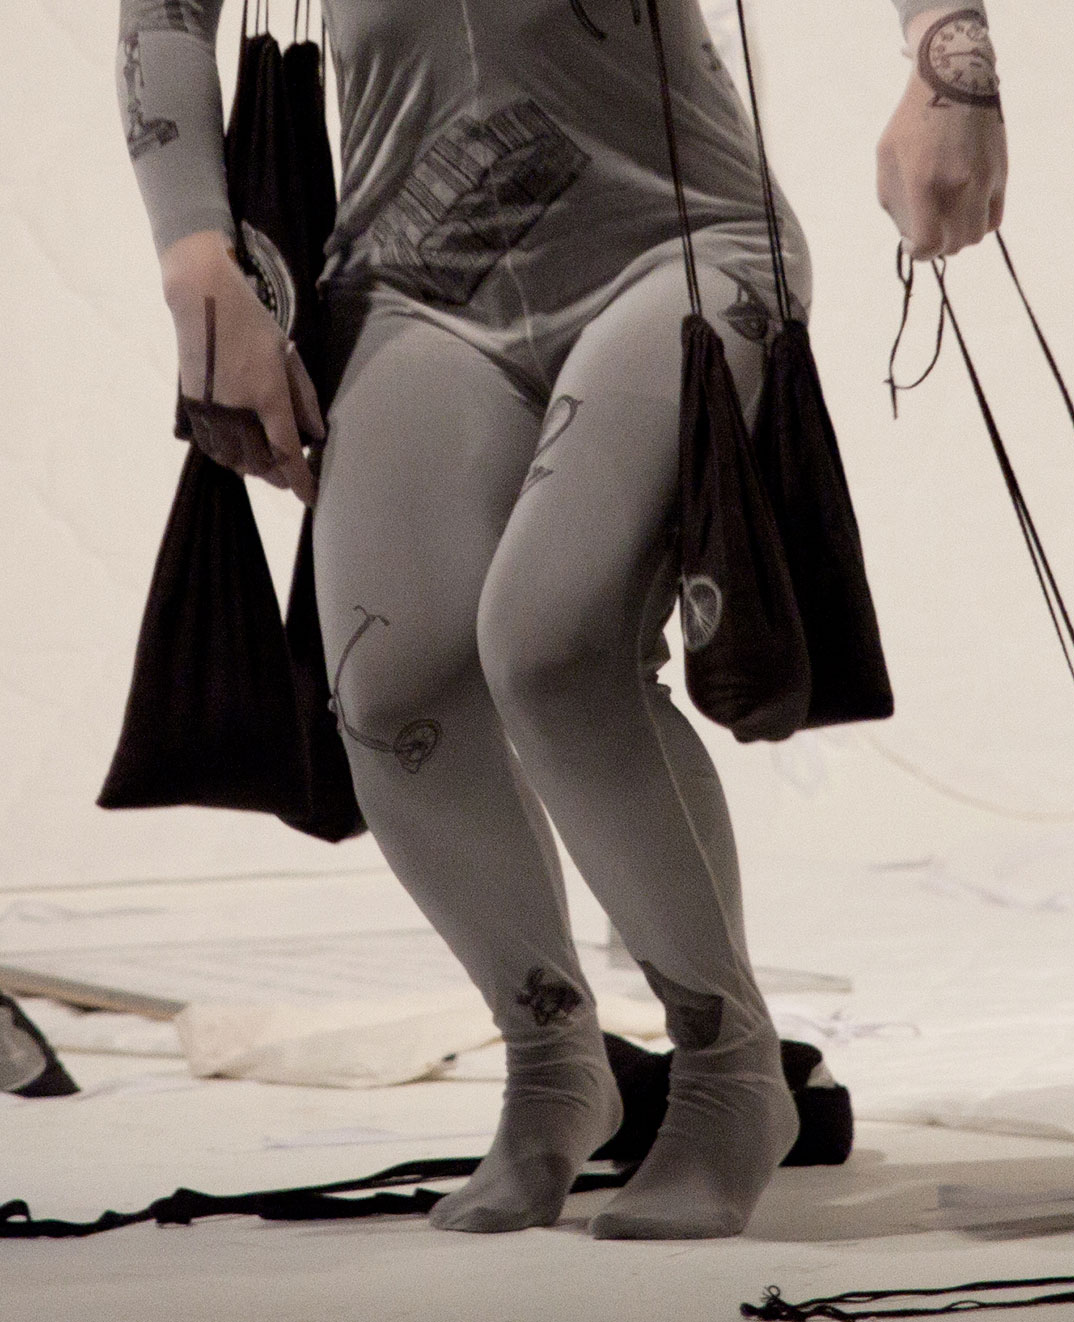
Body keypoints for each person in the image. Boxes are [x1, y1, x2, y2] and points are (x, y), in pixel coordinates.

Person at [114, 0, 1007, 1239]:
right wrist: (193, 256)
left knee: (552, 646)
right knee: (390, 691)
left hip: (675, 239)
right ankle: (551, 1062)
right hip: (418, 281)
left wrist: (954, 67)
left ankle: (730, 1067)